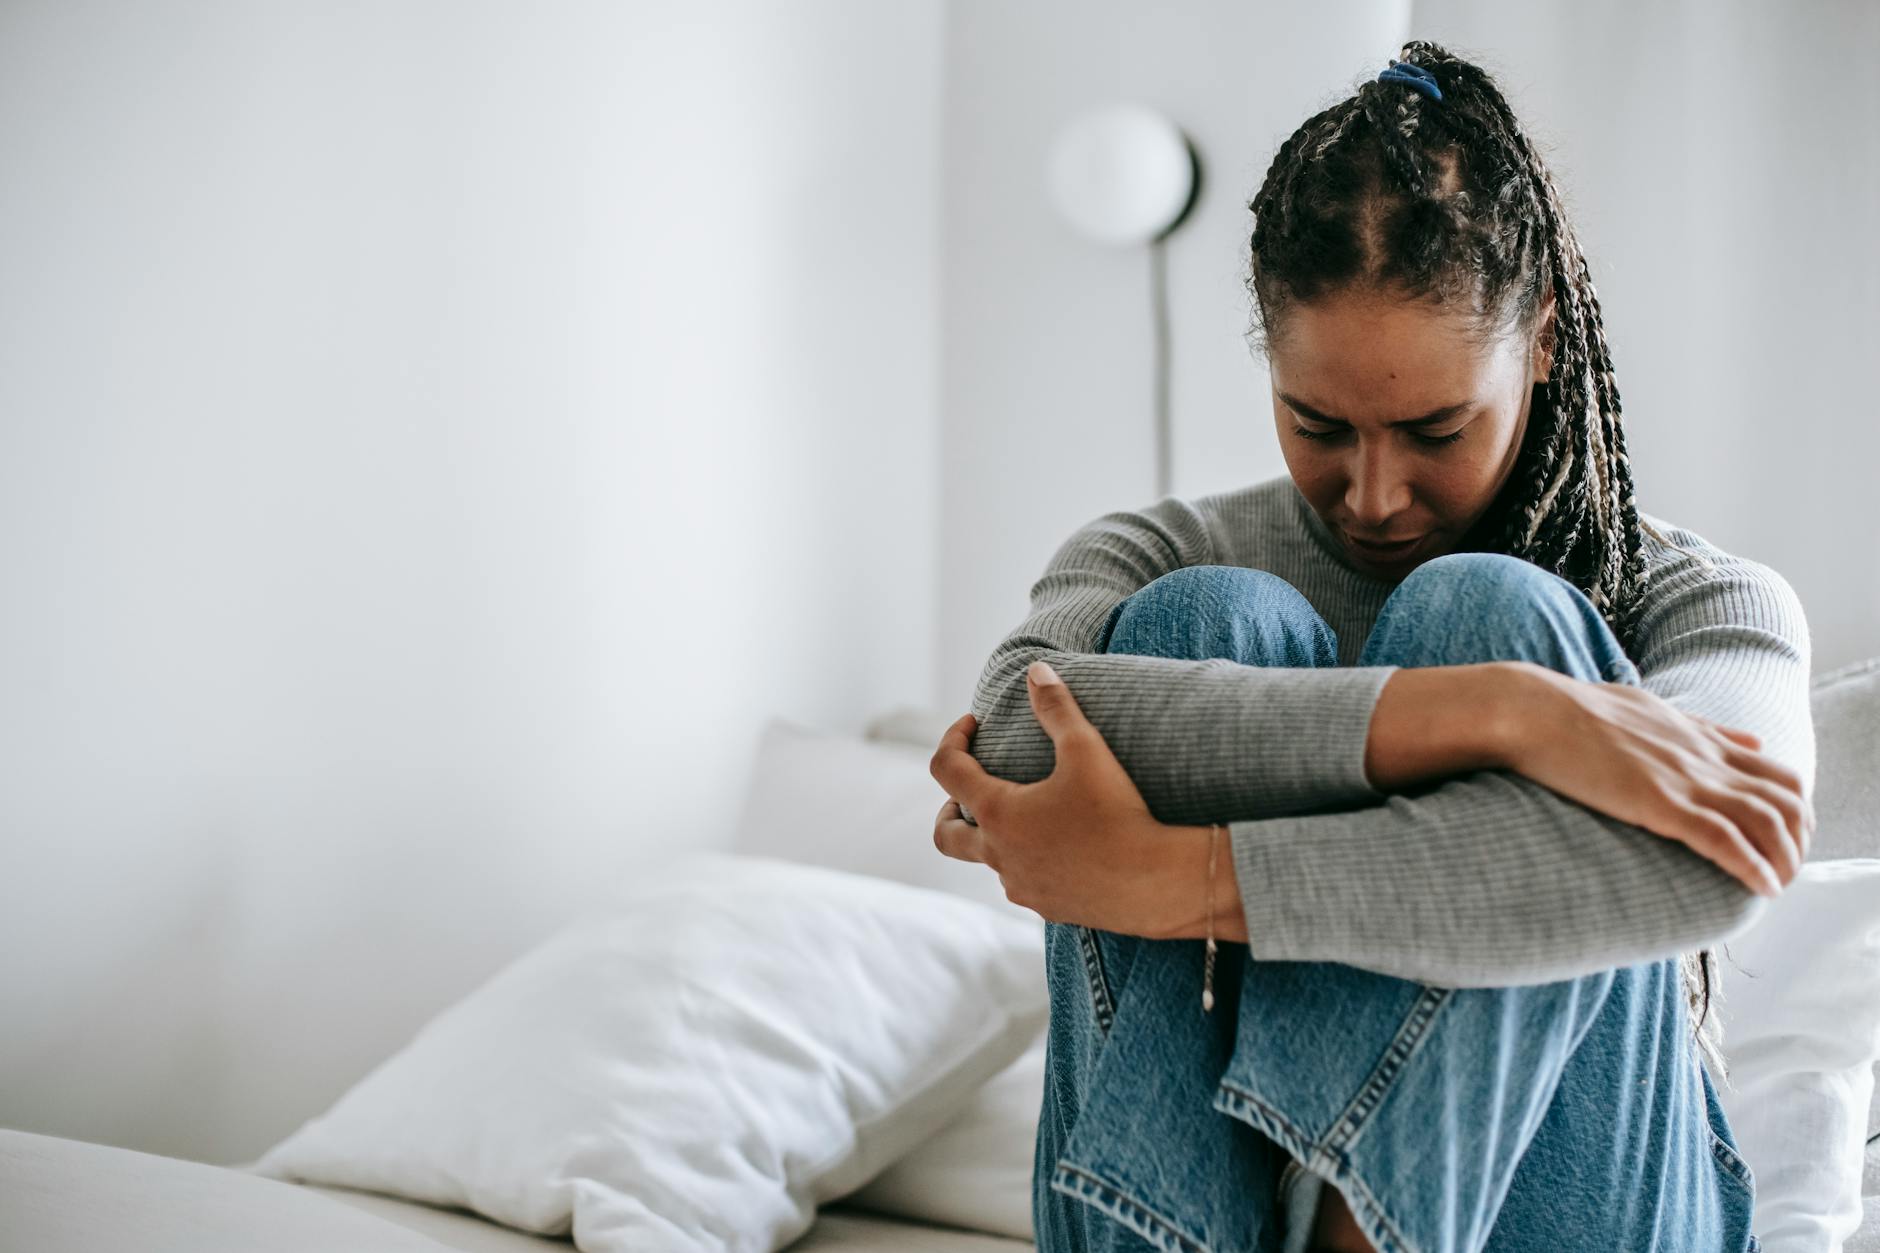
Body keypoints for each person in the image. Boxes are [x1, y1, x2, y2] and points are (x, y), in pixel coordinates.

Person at [925, 41, 1815, 1253]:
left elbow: (1719, 862)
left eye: (1434, 426)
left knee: (1496, 608)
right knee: (1205, 622)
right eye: (1317, 423)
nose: (1374, 493)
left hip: (1573, 1207)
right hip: (1197, 1205)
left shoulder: (1693, 598)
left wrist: (1176, 877)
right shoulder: (1151, 549)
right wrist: (1501, 714)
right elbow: (1014, 738)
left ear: (1541, 342)